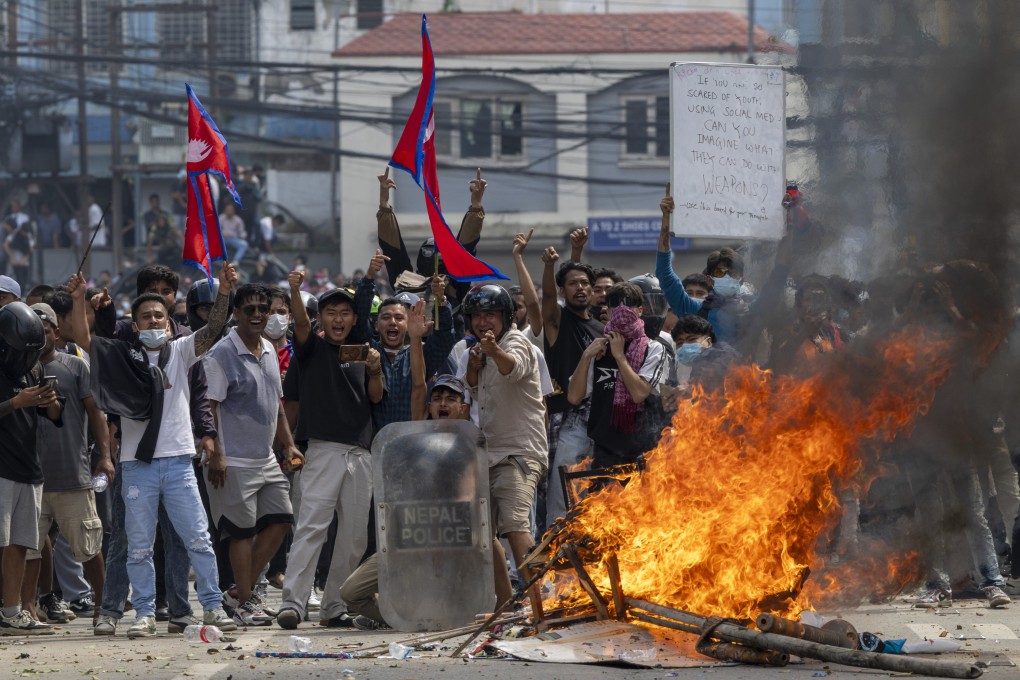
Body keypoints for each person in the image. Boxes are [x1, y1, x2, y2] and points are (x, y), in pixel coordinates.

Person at [66, 262, 239, 638]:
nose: (154, 322)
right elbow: (84, 340)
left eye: (160, 315)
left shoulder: (181, 351)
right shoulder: (121, 357)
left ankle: (211, 606)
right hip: (137, 466)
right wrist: (80, 299)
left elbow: (214, 329)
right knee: (139, 547)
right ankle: (144, 614)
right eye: (146, 317)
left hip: (178, 464)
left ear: (168, 320)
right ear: (136, 323)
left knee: (197, 538)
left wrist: (224, 291)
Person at [275, 269, 384, 630]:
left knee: (353, 536)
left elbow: (374, 397)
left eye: (345, 314)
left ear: (355, 319)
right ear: (321, 318)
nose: (339, 320)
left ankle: (334, 606)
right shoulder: (311, 348)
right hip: (322, 450)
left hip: (360, 452)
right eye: (331, 313)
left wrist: (374, 370)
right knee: (312, 528)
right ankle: (292, 602)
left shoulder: (366, 352)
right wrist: (294, 290)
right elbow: (301, 328)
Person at [202, 283, 300, 627]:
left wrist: (288, 444)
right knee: (240, 533)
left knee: (281, 521)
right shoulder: (220, 354)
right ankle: (246, 602)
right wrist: (216, 454)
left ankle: (237, 593)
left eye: (265, 308)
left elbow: (278, 407)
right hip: (231, 461)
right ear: (237, 313)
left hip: (266, 459)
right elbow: (208, 407)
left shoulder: (271, 350)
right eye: (250, 309)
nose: (259, 315)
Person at [22, 303, 113, 625]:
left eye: (45, 330)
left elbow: (96, 413)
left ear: (56, 333)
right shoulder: (16, 370)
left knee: (88, 548)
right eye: (33, 330)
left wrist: (105, 456)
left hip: (73, 475)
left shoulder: (76, 367)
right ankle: (28, 611)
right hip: (28, 480)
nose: (39, 336)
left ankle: (105, 609)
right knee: (28, 550)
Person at [457, 284, 547, 606]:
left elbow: (513, 368)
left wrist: (493, 352)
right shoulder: (475, 351)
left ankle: (539, 604)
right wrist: (472, 369)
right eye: (477, 316)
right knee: (483, 531)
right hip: (487, 453)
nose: (483, 322)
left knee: (515, 526)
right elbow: (477, 395)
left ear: (505, 317)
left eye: (490, 315)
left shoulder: (516, 342)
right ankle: (506, 604)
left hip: (519, 452)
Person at [0, 301, 62, 634]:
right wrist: (15, 402)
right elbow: (15, 405)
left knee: (21, 543)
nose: (27, 358)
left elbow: (54, 418)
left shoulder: (34, 369)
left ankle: (11, 612)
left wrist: (49, 404)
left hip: (29, 466)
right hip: (1, 468)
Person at [567, 282, 665, 469]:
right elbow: (574, 397)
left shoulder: (652, 348)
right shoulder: (598, 349)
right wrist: (586, 356)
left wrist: (619, 356)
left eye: (627, 305)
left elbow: (638, 394)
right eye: (615, 306)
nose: (621, 311)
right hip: (604, 448)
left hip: (642, 448)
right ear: (608, 312)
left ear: (640, 310)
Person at [540, 249, 603, 528]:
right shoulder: (558, 322)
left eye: (585, 283)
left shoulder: (603, 329)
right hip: (569, 421)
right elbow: (548, 301)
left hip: (600, 425)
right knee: (562, 504)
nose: (580, 288)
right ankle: (560, 569)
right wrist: (550, 264)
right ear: (563, 291)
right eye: (573, 283)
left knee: (593, 504)